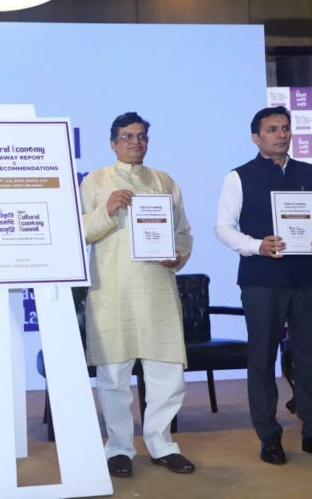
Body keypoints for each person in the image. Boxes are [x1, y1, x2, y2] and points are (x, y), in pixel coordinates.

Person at [215, 105, 312, 465]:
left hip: (309, 277)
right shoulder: (238, 177)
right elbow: (223, 227)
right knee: (262, 359)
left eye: (285, 128)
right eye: (272, 129)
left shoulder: (308, 171)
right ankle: (269, 436)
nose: (281, 134)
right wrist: (255, 245)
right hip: (262, 280)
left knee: (311, 358)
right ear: (255, 137)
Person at [80, 112, 195, 478]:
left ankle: (162, 444)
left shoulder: (164, 181)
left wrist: (178, 255)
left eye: (142, 136)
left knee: (167, 371)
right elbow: (79, 232)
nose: (136, 142)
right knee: (114, 374)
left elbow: (183, 232)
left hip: (157, 287)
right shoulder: (95, 180)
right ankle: (118, 447)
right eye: (127, 136)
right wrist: (107, 208)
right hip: (113, 290)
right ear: (113, 143)